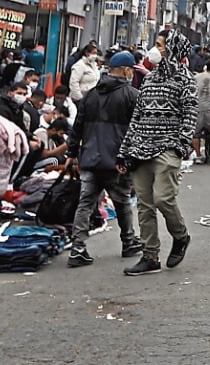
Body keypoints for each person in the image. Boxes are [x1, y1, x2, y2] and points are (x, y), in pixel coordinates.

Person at [118, 29, 197, 276]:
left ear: (173, 49)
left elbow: (190, 115)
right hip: (142, 149)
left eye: (161, 45)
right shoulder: (149, 79)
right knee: (144, 204)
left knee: (163, 198)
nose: (155, 48)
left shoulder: (185, 79)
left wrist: (181, 145)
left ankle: (181, 236)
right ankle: (150, 255)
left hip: (167, 148)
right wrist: (125, 151)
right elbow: (137, 117)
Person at [66, 51, 143, 268]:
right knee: (122, 202)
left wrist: (72, 154)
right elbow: (138, 131)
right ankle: (128, 241)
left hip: (90, 158)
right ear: (127, 70)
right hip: (116, 161)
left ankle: (77, 249)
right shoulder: (132, 95)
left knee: (85, 203)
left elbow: (77, 127)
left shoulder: (90, 95)